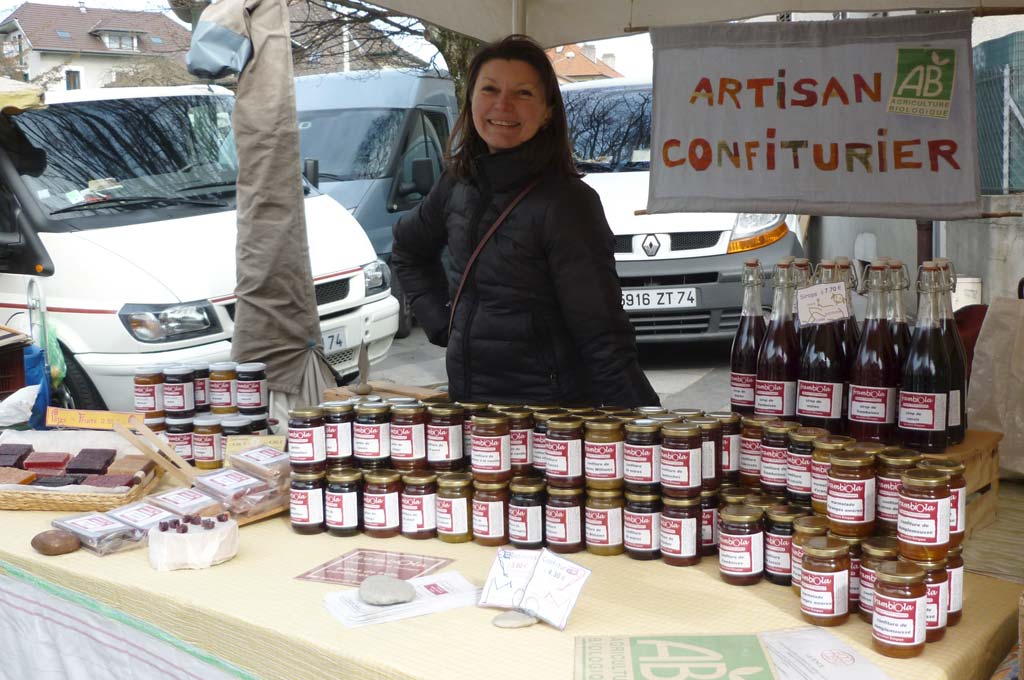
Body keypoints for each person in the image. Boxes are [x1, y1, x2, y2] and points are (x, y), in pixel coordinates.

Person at [391, 34, 657, 407]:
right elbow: (407, 249)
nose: (503, 105)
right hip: (472, 409)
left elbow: (602, 334)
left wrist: (645, 430)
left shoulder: (568, 204)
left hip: (549, 419)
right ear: (470, 100)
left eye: (523, 94)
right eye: (490, 89)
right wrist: (441, 323)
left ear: (548, 111)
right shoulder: (456, 184)